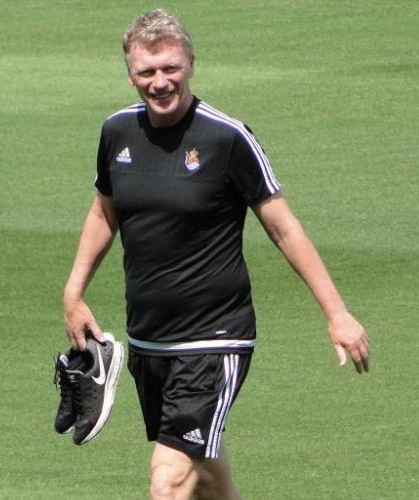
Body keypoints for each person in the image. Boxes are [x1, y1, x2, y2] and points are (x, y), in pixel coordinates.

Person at [62, 9, 370, 499]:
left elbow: (283, 227)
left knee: (169, 480)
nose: (160, 82)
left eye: (170, 68)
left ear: (190, 65)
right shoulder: (117, 132)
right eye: (147, 71)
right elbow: (104, 212)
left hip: (214, 338)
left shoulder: (226, 137)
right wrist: (74, 293)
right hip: (149, 340)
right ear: (130, 75)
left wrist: (337, 313)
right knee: (208, 478)